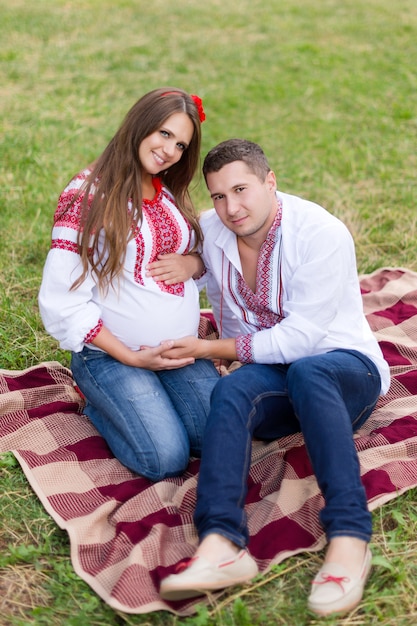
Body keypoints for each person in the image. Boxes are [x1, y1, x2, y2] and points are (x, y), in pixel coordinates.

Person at [158, 139, 390, 616]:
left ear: (270, 182)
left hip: (345, 370)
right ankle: (222, 543)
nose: (231, 207)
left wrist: (209, 348)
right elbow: (194, 258)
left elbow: (302, 340)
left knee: (308, 370)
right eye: (219, 196)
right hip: (273, 374)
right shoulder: (214, 228)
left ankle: (349, 537)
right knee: (233, 388)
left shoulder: (320, 233)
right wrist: (193, 264)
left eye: (242, 190)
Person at [38, 88, 220, 482]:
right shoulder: (88, 195)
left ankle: (150, 397)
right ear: (140, 124)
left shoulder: (166, 190)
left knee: (217, 436)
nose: (170, 150)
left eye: (181, 144)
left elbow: (194, 256)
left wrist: (192, 263)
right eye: (164, 134)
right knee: (165, 458)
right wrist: (133, 358)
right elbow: (61, 299)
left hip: (177, 352)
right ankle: (99, 403)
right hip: (112, 354)